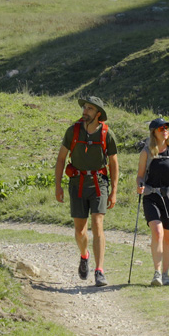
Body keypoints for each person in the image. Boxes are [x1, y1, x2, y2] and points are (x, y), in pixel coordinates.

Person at [54, 97, 119, 287]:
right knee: (80, 229)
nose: (85, 111)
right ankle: (84, 255)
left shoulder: (107, 134)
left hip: (99, 183)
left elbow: (114, 163)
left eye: (89, 108)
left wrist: (114, 191)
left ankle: (99, 270)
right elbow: (61, 159)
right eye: (84, 107)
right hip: (77, 183)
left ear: (98, 114)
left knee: (98, 223)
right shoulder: (73, 131)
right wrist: (58, 185)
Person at [135, 117, 169, 286]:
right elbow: (140, 175)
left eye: (167, 128)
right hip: (151, 196)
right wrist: (139, 186)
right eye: (161, 128)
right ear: (154, 132)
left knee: (168, 237)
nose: (165, 130)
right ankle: (157, 273)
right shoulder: (146, 152)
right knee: (157, 232)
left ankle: (166, 274)